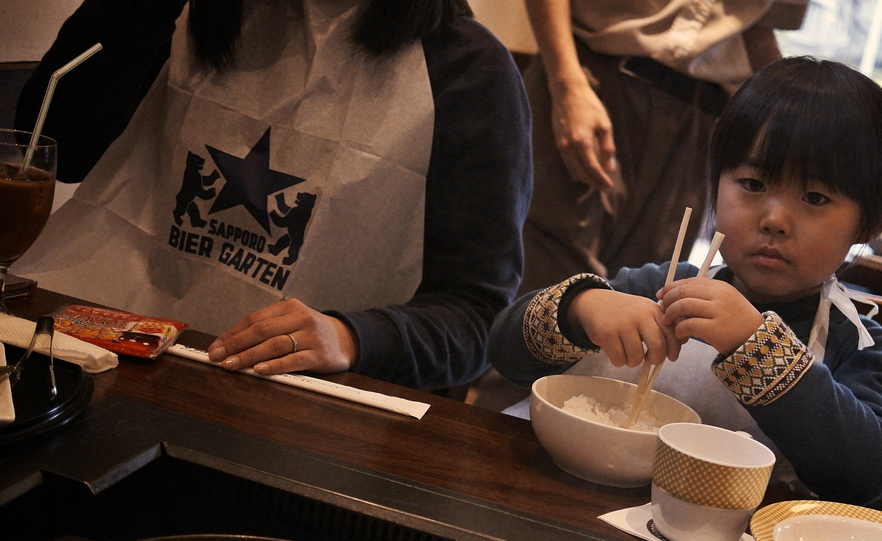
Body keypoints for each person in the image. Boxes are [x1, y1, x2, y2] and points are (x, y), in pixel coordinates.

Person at [14, 0, 531, 391]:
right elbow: (56, 143)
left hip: (300, 414)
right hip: (108, 365)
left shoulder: (472, 74)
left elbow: (478, 319)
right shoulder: (201, 11)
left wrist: (351, 337)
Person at [488, 56, 882, 505]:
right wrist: (580, 309)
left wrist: (757, 348)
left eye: (815, 197)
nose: (775, 219)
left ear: (868, 224)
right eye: (752, 184)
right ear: (716, 185)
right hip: (582, 501)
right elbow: (504, 352)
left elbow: (869, 474)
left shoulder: (856, 342)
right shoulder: (661, 285)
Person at [517, 0, 808, 295]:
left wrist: (794, 126)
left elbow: (757, 29)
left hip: (700, 119)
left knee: (644, 301)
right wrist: (566, 82)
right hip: (593, 80)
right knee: (549, 291)